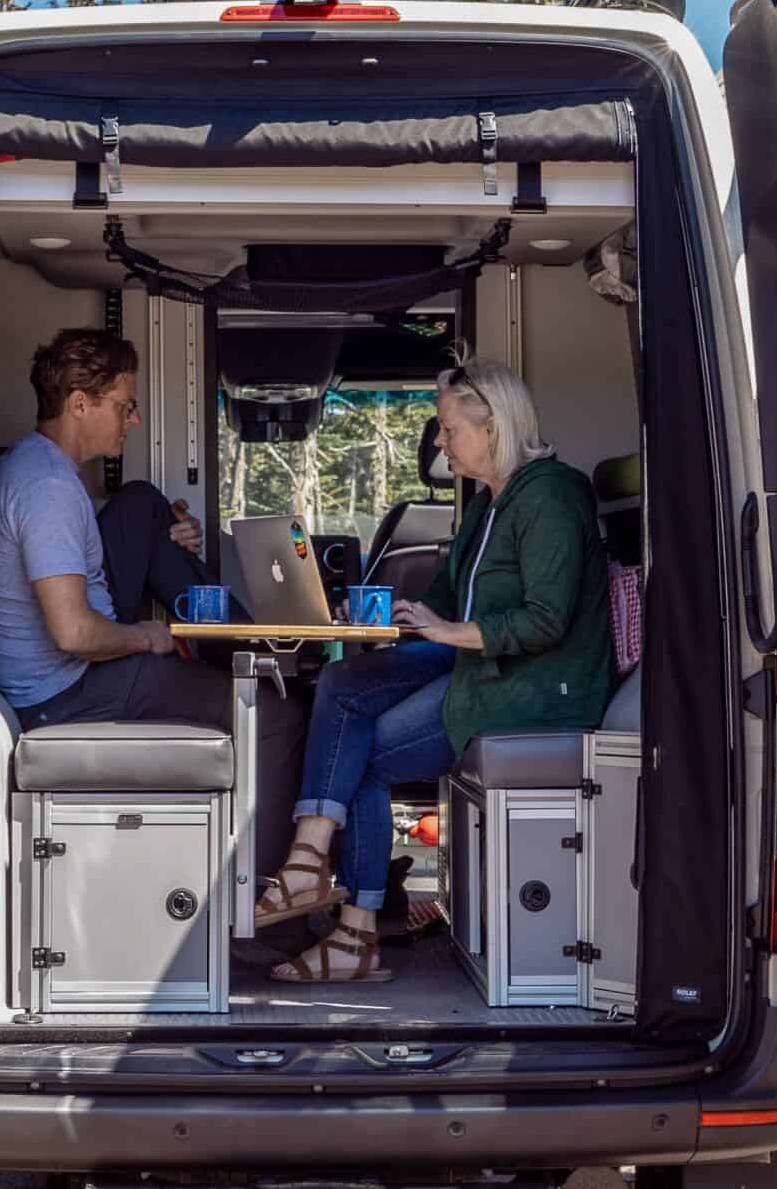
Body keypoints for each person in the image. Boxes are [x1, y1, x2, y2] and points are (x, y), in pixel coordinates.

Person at [256, 354, 613, 983]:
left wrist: (451, 631)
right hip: (477, 661)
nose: (441, 443)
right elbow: (451, 597)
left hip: (531, 687)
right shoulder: (484, 502)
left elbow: (546, 621)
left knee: (356, 755)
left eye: (449, 429)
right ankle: (310, 865)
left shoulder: (553, 496)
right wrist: (397, 612)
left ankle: (352, 934)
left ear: (494, 427)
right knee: (343, 683)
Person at [0, 328, 306, 868]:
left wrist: (165, 538)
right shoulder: (46, 489)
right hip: (67, 693)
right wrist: (146, 638)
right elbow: (74, 634)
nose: (134, 420)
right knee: (278, 716)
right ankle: (267, 908)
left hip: (67, 677)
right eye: (125, 407)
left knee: (144, 503)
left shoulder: (42, 468)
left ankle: (253, 649)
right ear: (80, 404)